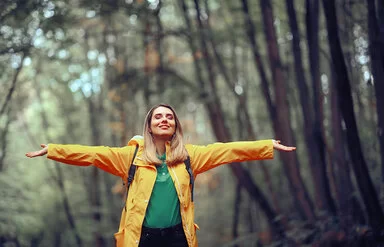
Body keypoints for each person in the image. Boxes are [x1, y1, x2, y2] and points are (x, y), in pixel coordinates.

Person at [26, 103, 296, 247]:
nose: (164, 119)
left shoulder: (190, 156)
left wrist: (265, 145)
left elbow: (228, 151)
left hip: (179, 237)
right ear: (150, 126)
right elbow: (93, 154)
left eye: (169, 116)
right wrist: (54, 150)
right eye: (158, 117)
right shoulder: (130, 157)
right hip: (142, 239)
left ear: (175, 124)